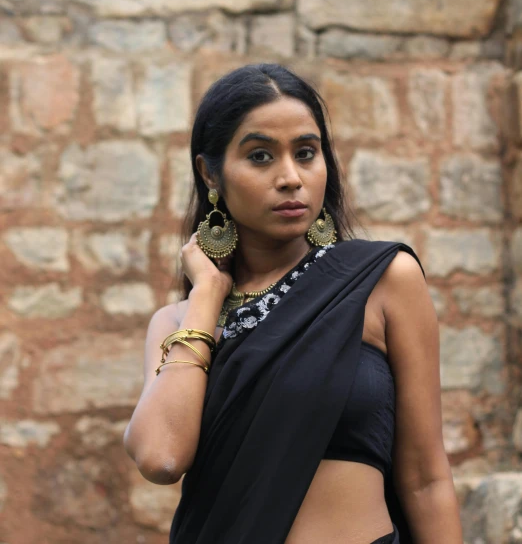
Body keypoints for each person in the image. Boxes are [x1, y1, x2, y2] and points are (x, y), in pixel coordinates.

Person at [123, 63, 464, 544]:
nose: (290, 177)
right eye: (260, 156)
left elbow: (426, 479)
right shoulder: (177, 323)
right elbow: (160, 457)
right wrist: (206, 296)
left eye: (306, 153)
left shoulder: (380, 281)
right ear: (210, 173)